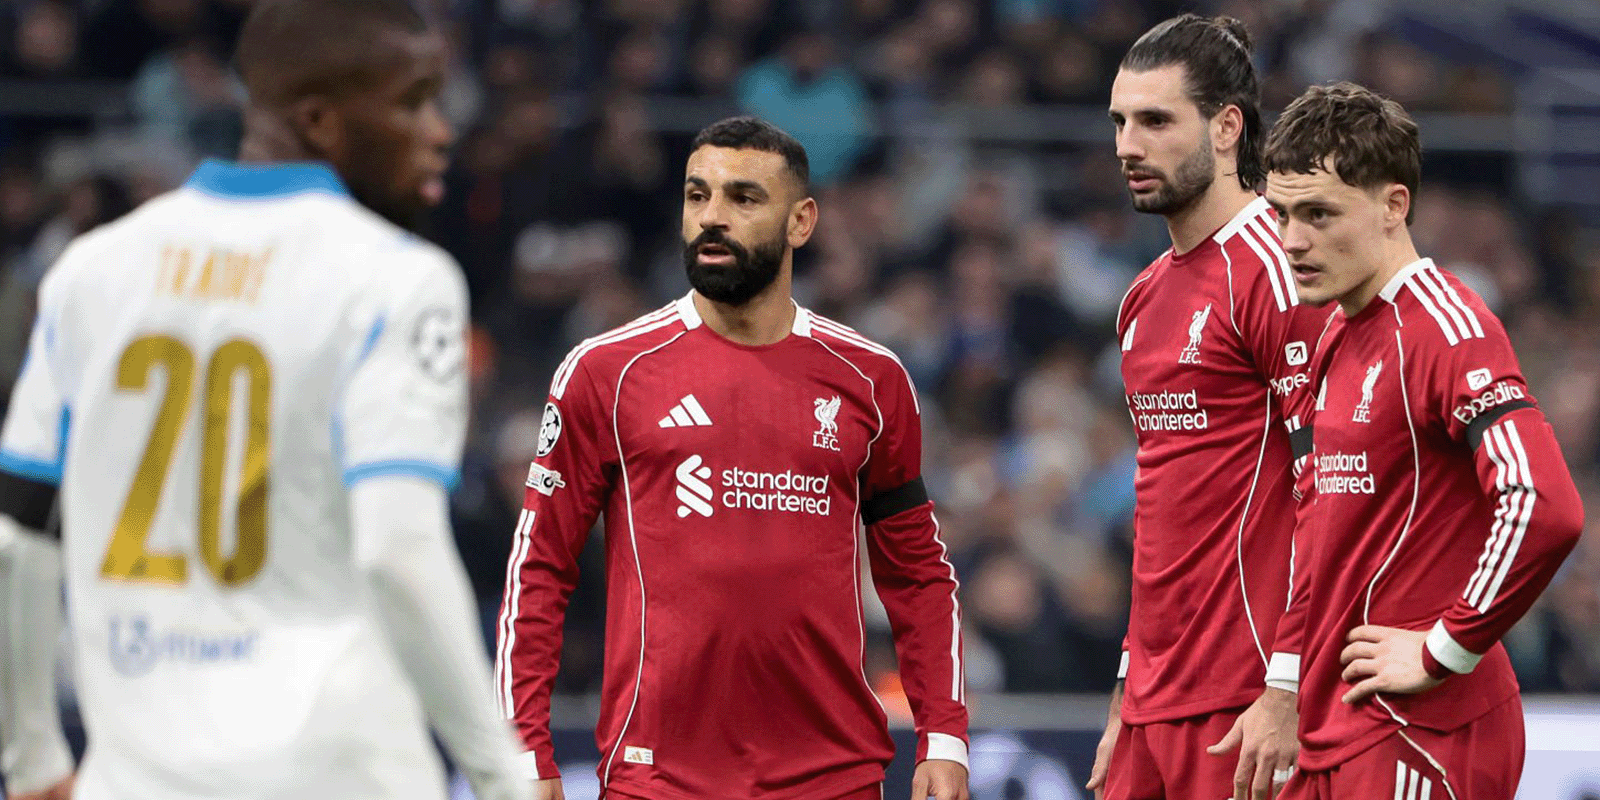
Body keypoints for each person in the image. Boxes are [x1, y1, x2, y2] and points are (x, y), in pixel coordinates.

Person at [0, 1, 529, 799]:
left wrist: (33, 754)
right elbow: (398, 549)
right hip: (336, 776)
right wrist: (501, 774)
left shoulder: (91, 271)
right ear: (318, 119)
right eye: (414, 102)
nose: (440, 131)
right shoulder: (396, 280)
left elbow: (17, 539)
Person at [495, 116, 970, 800]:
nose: (712, 217)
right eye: (698, 196)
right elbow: (538, 567)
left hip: (833, 777)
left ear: (801, 222)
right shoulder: (606, 372)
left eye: (744, 198)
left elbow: (917, 572)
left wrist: (944, 736)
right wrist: (522, 748)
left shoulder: (871, 379)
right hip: (658, 779)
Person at [1259, 82, 1584, 799]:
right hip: (1337, 726)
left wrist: (1445, 648)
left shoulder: (1445, 327)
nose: (1292, 240)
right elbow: (1319, 530)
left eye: (1319, 213)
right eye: (1282, 214)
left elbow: (1543, 504)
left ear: (1393, 205)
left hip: (1421, 730)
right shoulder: (1336, 333)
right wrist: (1284, 686)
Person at [1092, 14, 1328, 800]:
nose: (1128, 146)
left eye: (1156, 121)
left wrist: (1288, 684)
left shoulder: (1278, 269)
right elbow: (1162, 506)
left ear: (1227, 128)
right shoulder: (1142, 297)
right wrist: (1128, 683)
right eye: (1120, 122)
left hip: (1247, 700)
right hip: (1152, 702)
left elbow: (1331, 490)